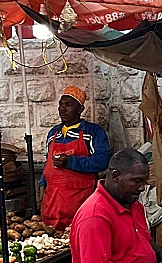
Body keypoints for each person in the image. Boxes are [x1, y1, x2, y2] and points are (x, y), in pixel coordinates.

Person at [40, 86, 111, 230]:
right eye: (61, 104)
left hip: (81, 203)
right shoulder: (53, 133)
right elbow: (48, 163)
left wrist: (71, 161)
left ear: (80, 109)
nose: (62, 109)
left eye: (68, 105)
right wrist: (42, 184)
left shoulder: (93, 132)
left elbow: (103, 161)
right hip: (52, 204)